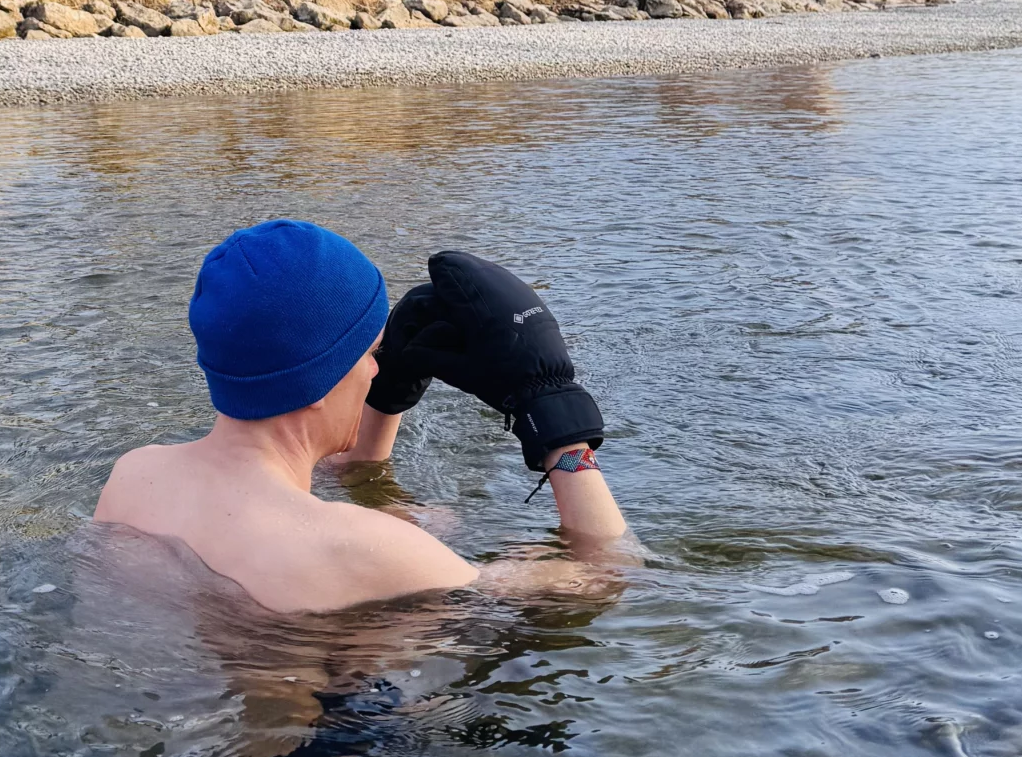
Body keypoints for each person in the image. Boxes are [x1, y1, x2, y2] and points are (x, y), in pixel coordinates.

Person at [93, 219, 631, 615]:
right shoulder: (366, 550)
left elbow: (331, 471)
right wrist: (556, 416)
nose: (376, 370)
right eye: (371, 355)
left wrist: (388, 400)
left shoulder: (137, 475)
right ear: (316, 379)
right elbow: (609, 576)